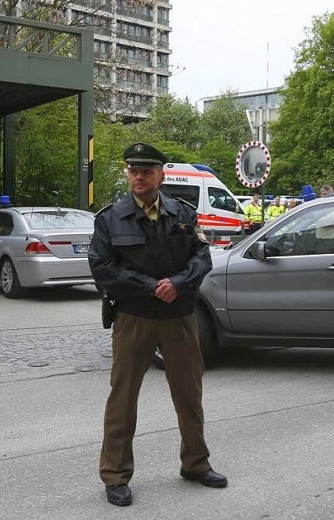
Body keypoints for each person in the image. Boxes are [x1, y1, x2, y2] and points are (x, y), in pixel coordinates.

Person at [88, 142, 227, 507]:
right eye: (134, 170)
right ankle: (116, 475)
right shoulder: (110, 218)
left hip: (179, 316)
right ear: (128, 174)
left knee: (189, 394)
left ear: (160, 175)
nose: (139, 177)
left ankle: (196, 463)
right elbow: (102, 268)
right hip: (134, 317)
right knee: (122, 399)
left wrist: (178, 283)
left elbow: (201, 255)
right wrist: (152, 287)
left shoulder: (182, 213)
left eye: (147, 171)